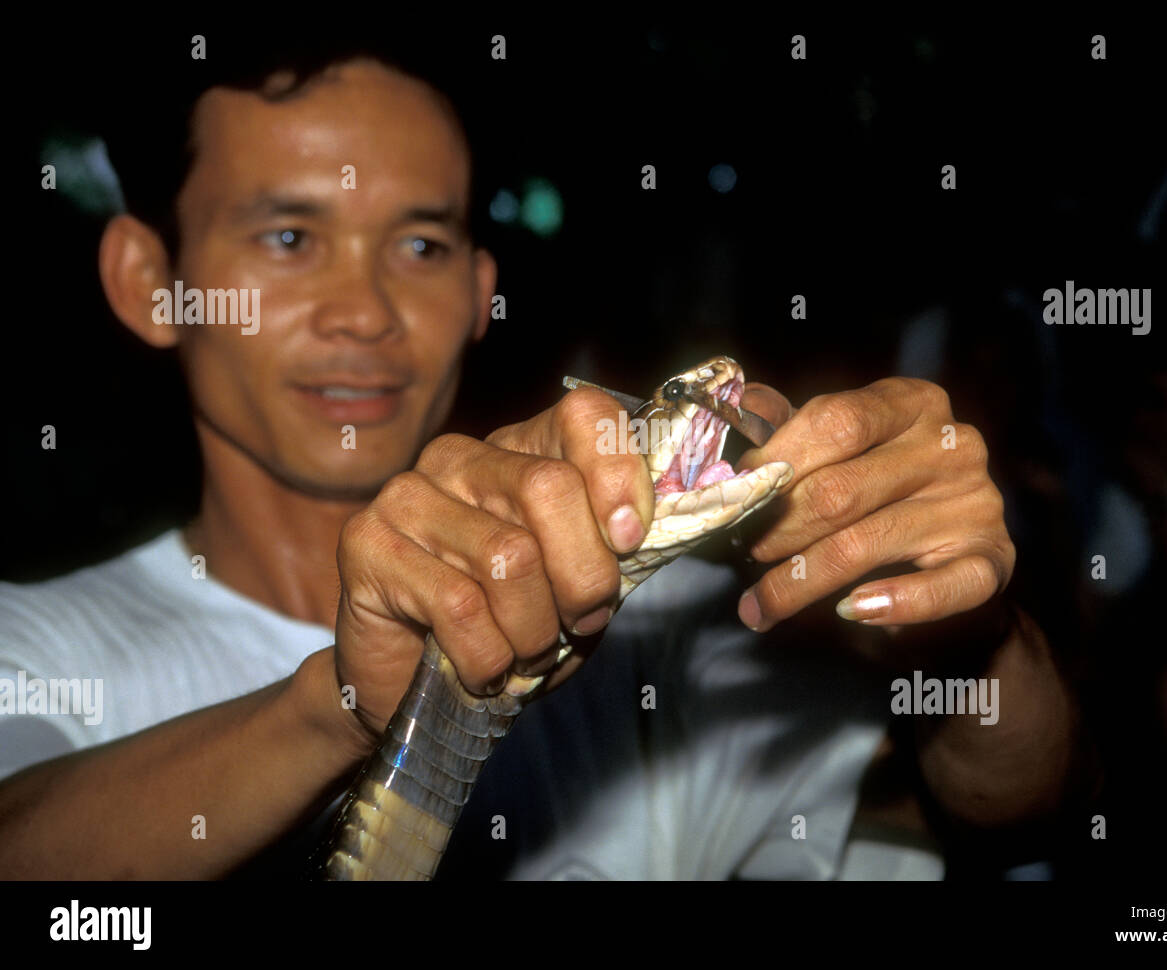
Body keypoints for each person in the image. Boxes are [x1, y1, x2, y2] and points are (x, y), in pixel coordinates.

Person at [0, 46, 1076, 879]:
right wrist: (343, 701)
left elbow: (1009, 809)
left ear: (479, 290)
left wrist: (968, 628)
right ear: (150, 279)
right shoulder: (36, 641)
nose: (367, 313)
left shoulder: (659, 644)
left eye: (420, 246)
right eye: (288, 239)